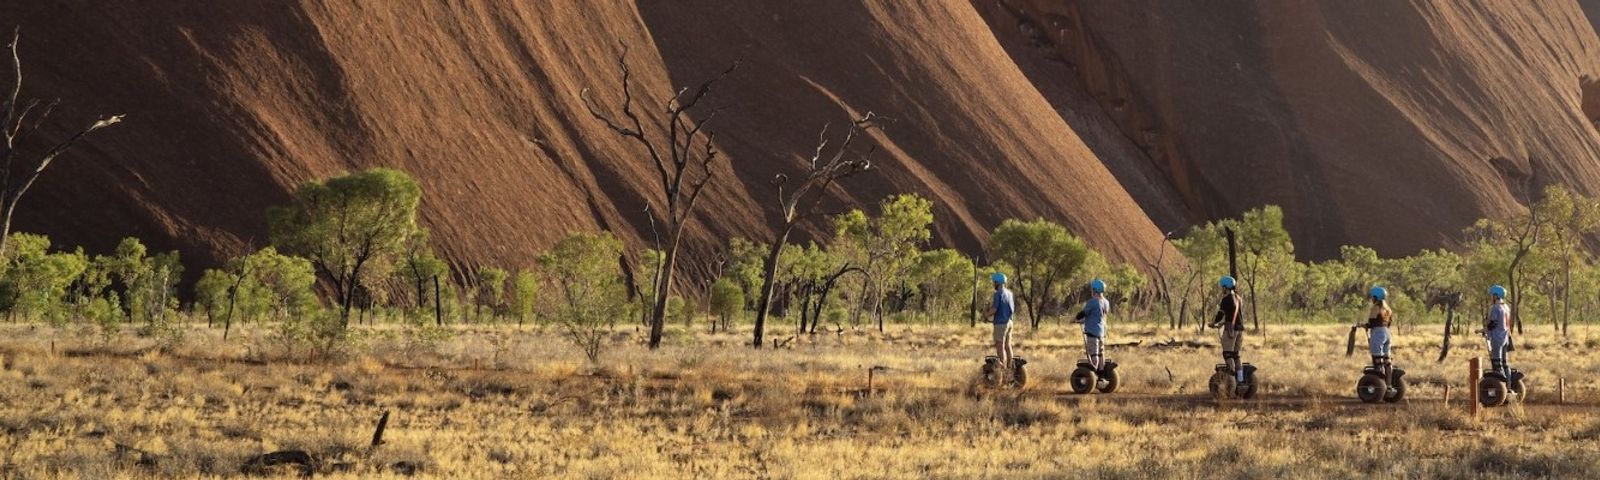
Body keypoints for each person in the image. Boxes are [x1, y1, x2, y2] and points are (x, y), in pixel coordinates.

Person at [1209, 276, 1246, 383]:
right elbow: (1233, 315)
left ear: (1226, 287)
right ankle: (1240, 379)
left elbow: (1221, 314)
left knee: (1227, 354)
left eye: (1222, 287)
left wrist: (1214, 323)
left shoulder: (1226, 299)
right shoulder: (1238, 298)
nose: (1222, 289)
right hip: (1239, 329)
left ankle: (1231, 380)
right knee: (1236, 355)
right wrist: (1222, 323)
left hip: (1231, 330)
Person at [1358, 286, 1394, 380]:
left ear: (1376, 297)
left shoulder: (1376, 307)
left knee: (1377, 358)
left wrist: (1363, 325)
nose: (1371, 299)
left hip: (1378, 333)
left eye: (1372, 297)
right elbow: (1389, 322)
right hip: (1387, 332)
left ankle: (1378, 382)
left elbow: (1372, 322)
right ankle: (1388, 383)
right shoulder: (1388, 309)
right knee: (1387, 359)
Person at [1074, 278, 1110, 371]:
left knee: (1094, 353)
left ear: (1095, 289)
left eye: (1092, 289)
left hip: (1092, 332)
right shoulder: (1106, 302)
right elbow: (1097, 316)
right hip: (1102, 332)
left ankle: (1094, 372)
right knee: (1101, 353)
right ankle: (1101, 372)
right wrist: (1082, 321)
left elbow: (1084, 313)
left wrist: (1075, 319)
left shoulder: (1093, 301)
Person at [985, 272, 1016, 371]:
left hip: (1001, 324)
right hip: (1010, 322)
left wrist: (986, 315)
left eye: (994, 282)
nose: (993, 284)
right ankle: (1010, 368)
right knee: (1008, 346)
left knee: (1000, 346)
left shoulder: (998, 294)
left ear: (997, 282)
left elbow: (994, 309)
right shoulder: (1009, 293)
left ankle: (1002, 370)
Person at [1484, 285, 1513, 379]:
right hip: (1505, 338)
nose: (1491, 297)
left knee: (1497, 364)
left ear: (1496, 296)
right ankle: (1509, 385)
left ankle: (1501, 387)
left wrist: (1484, 329)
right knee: (1505, 363)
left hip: (1497, 338)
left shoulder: (1495, 308)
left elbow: (1492, 324)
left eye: (1492, 295)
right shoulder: (1506, 307)